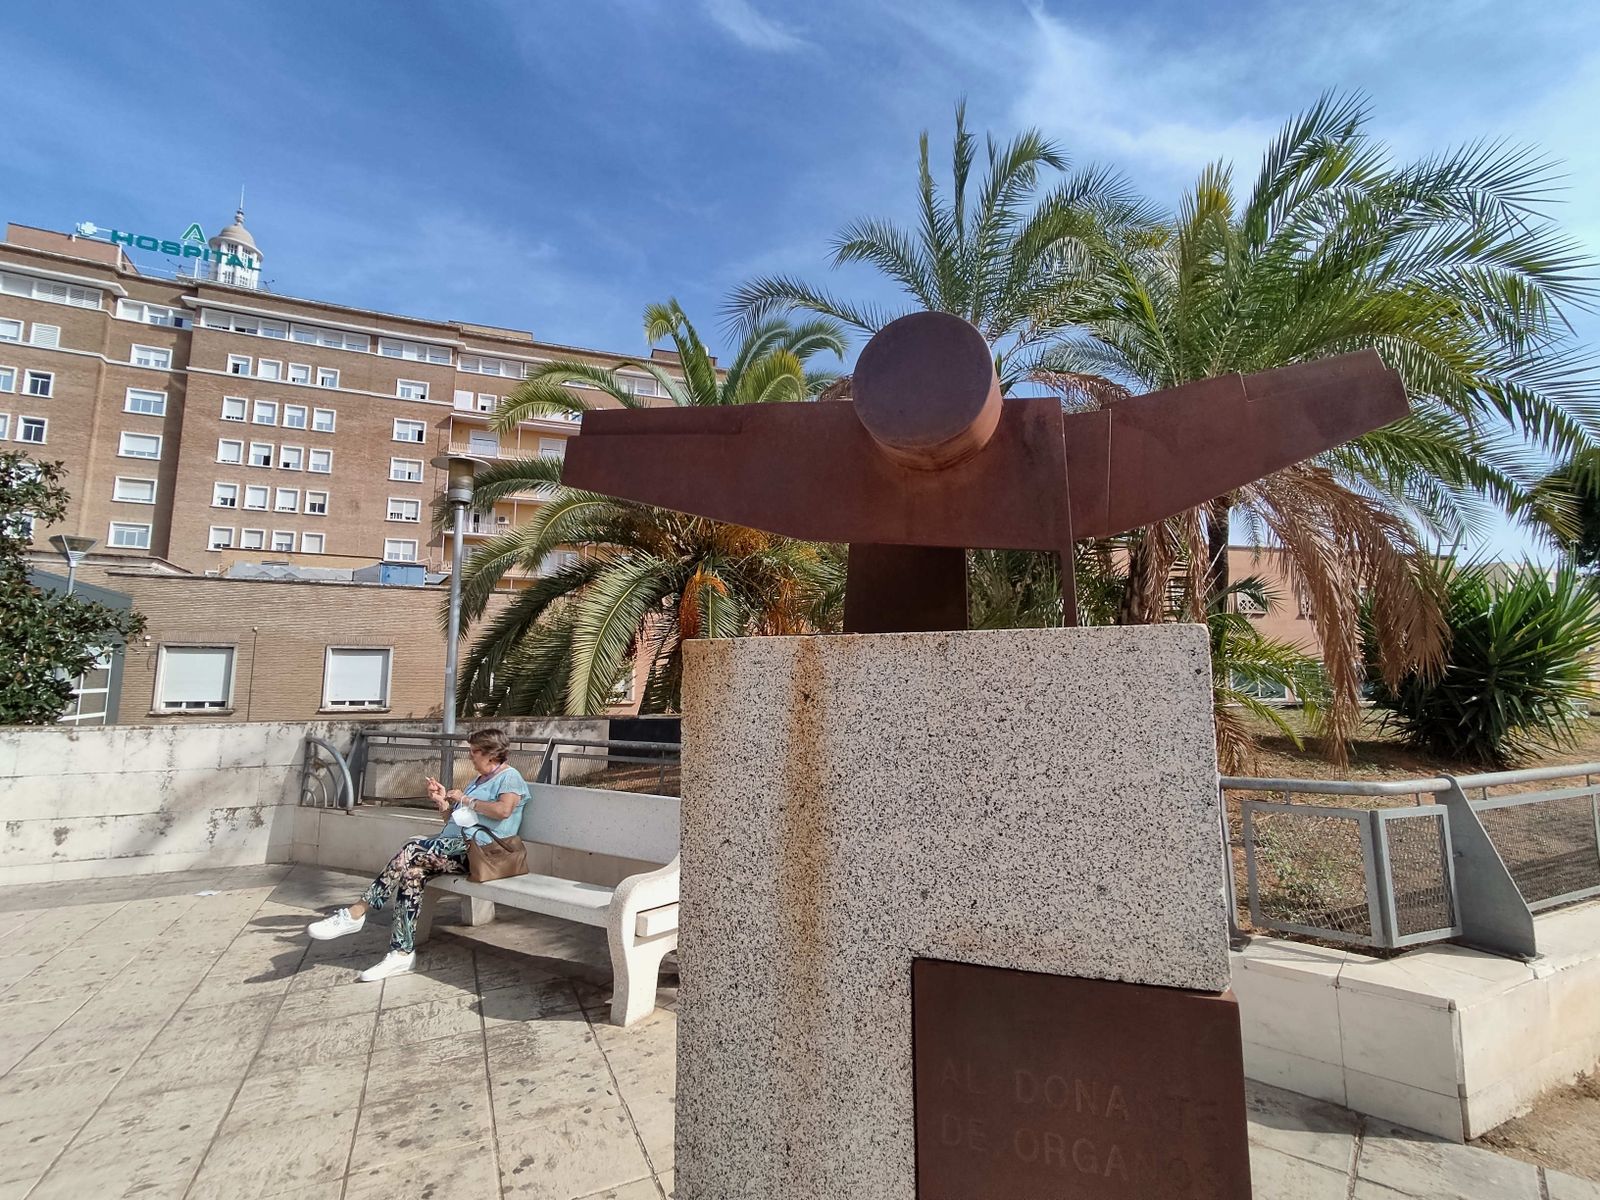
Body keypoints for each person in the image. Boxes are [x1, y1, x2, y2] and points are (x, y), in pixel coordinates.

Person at [306, 728, 530, 981]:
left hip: (483, 853)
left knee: (412, 848)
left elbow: (503, 811)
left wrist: (467, 800)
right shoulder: (479, 780)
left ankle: (356, 912)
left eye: (474, 751)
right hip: (455, 847)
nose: (470, 756)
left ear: (491, 754)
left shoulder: (510, 777)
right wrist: (442, 802)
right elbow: (455, 821)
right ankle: (401, 953)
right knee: (413, 873)